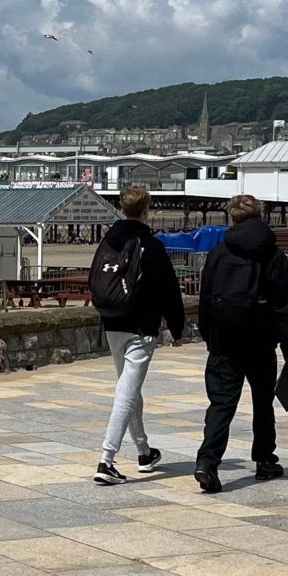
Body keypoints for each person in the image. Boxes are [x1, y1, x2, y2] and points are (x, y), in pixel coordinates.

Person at [193, 194, 288, 494]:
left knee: (222, 403)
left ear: (232, 218)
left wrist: (210, 338)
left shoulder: (218, 253)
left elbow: (204, 303)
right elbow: (285, 308)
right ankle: (265, 460)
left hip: (224, 340)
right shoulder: (274, 256)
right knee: (263, 402)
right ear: (260, 216)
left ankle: (208, 462)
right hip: (261, 340)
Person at [89, 184, 186, 485]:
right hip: (141, 327)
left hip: (112, 322)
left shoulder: (109, 239)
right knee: (126, 392)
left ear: (122, 208)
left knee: (128, 388)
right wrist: (177, 327)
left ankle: (144, 451)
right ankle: (107, 460)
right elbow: (169, 289)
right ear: (146, 211)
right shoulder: (150, 245)